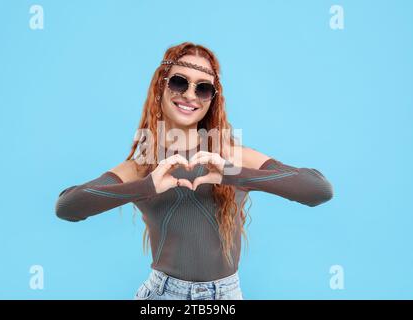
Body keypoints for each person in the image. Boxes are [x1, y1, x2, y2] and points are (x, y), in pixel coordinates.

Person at [54, 42, 334, 300]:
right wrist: (146, 187)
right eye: (179, 82)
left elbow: (318, 190)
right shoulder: (142, 166)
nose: (189, 95)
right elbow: (67, 206)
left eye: (203, 88)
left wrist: (232, 174)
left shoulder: (231, 156)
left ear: (212, 98)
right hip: (163, 297)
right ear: (160, 87)